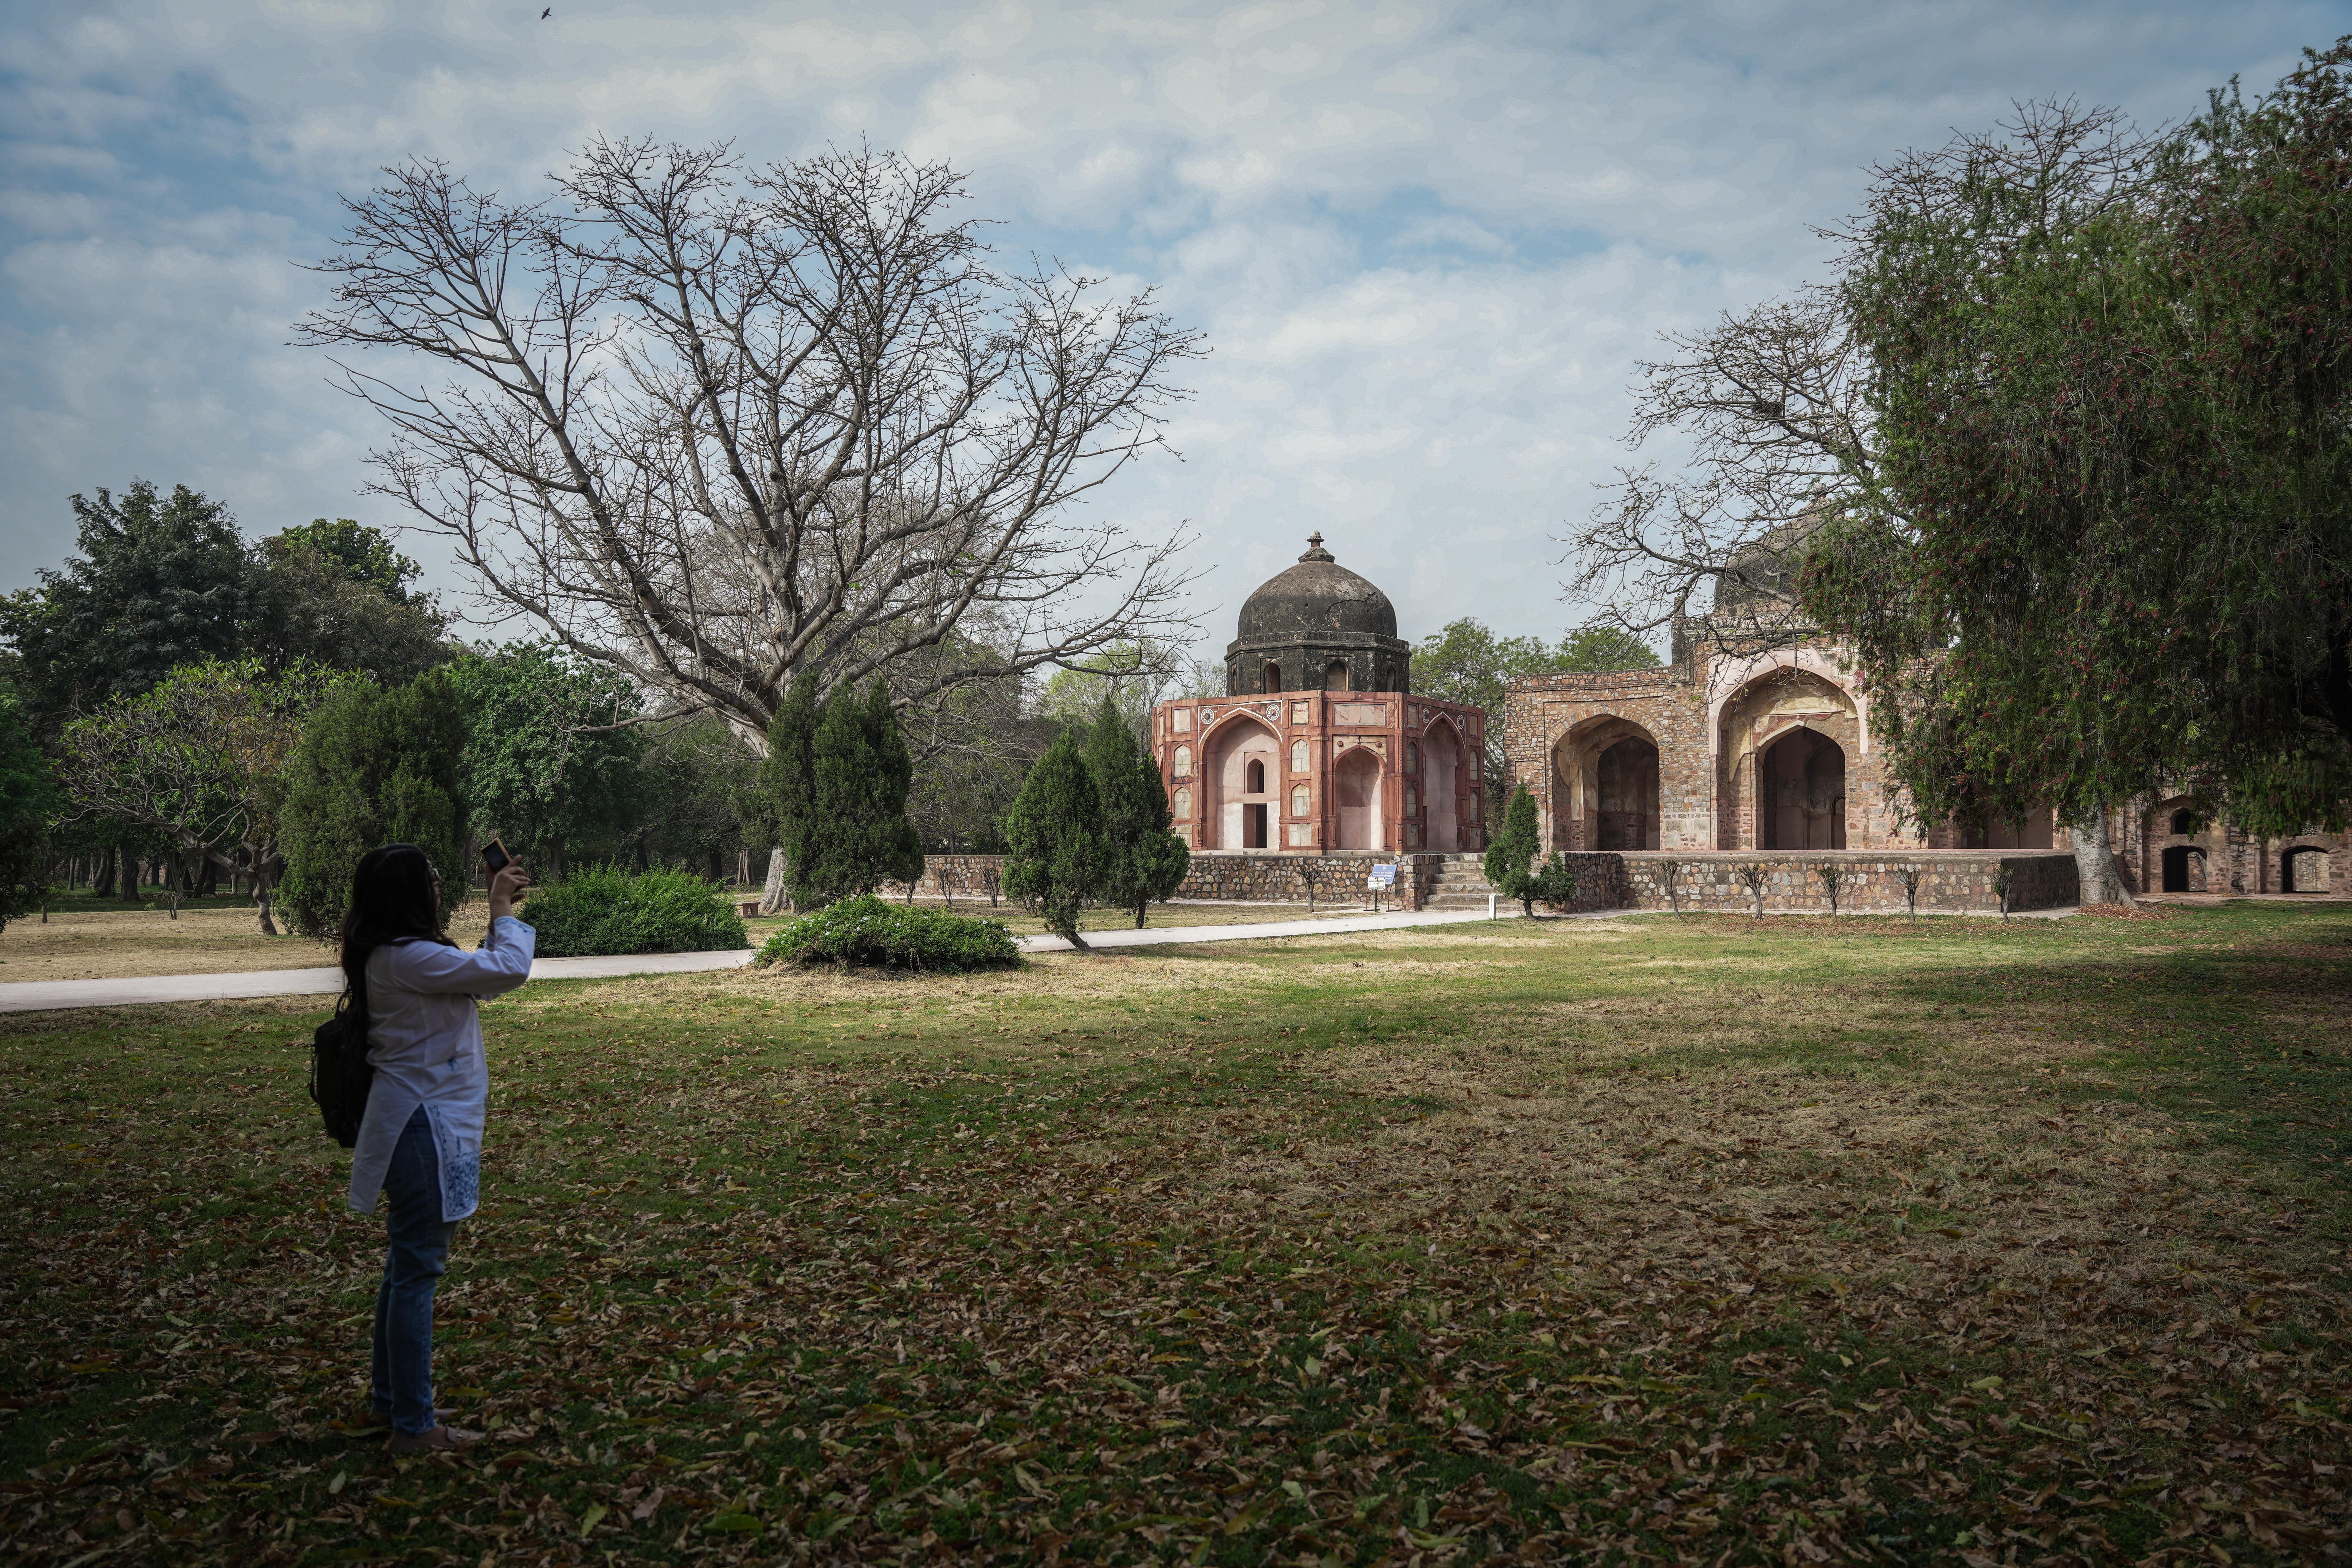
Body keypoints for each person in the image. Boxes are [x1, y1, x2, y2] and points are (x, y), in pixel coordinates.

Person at [341, 842, 534, 1453]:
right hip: (422, 1126)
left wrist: (494, 909)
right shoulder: (406, 959)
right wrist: (501, 905)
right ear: (407, 893)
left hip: (420, 1122)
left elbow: (477, 972)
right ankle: (415, 1428)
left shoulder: (400, 955)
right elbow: (507, 971)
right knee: (418, 1271)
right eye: (428, 877)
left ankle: (392, 1403)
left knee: (405, 1270)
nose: (436, 884)